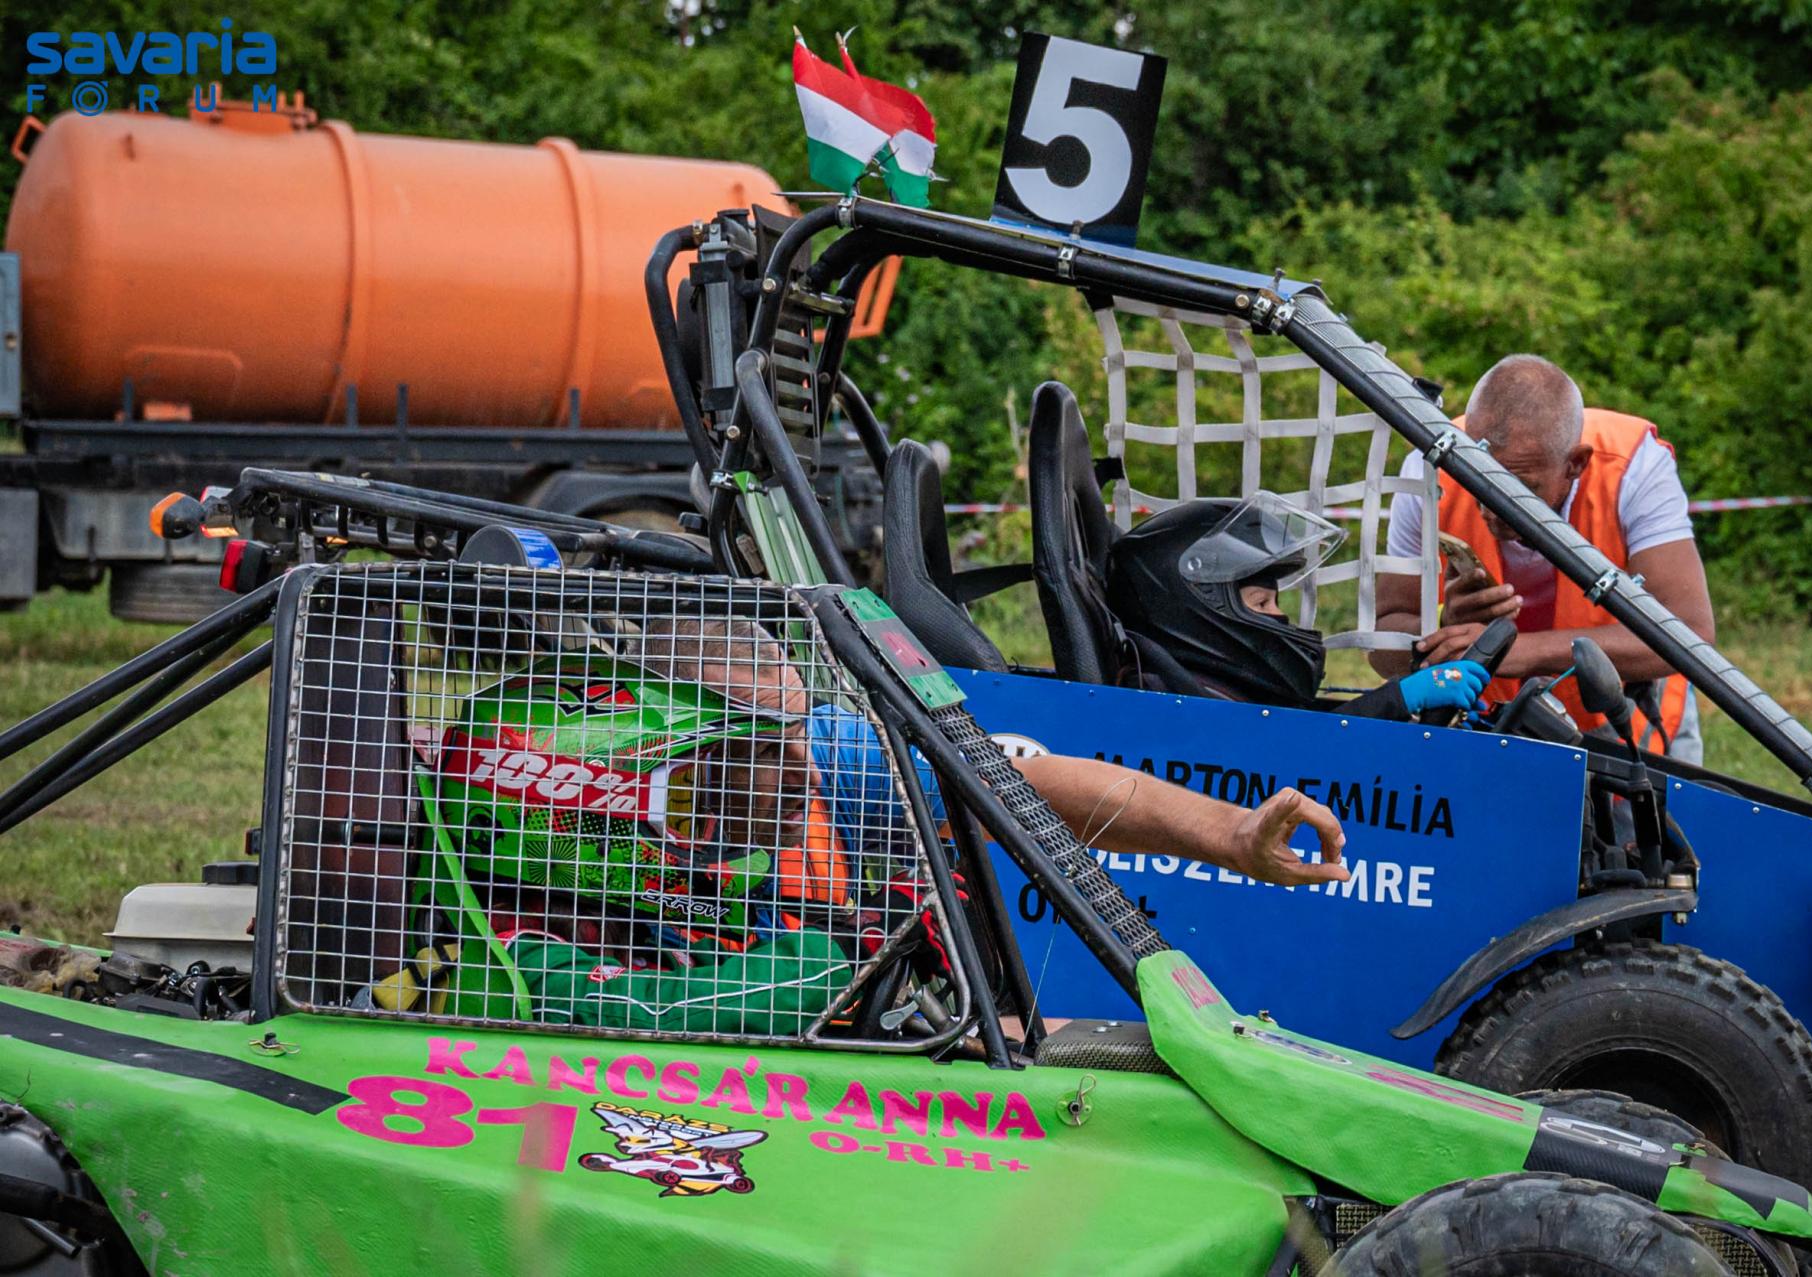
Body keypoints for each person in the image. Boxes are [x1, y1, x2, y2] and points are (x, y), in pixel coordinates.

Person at [403, 617, 1350, 1034]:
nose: (804, 767)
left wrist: (1232, 836)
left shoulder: (810, 763)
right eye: (760, 748)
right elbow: (729, 1000)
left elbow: (1016, 783)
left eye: (796, 731)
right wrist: (861, 949)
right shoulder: (512, 951)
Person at [1373, 354, 1713, 761]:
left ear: (1576, 463)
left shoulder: (1633, 466)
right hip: (1484, 732)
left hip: (1629, 732)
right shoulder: (1428, 468)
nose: (1491, 508)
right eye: (1476, 481)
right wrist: (1443, 625)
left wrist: (1518, 651)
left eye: (1520, 489)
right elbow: (1383, 649)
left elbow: (1690, 633)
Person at [1105, 493, 1492, 721]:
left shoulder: (1222, 691)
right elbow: (1282, 754)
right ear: (1194, 613)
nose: (1280, 617)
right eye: (1262, 602)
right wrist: (1399, 699)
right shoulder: (1164, 702)